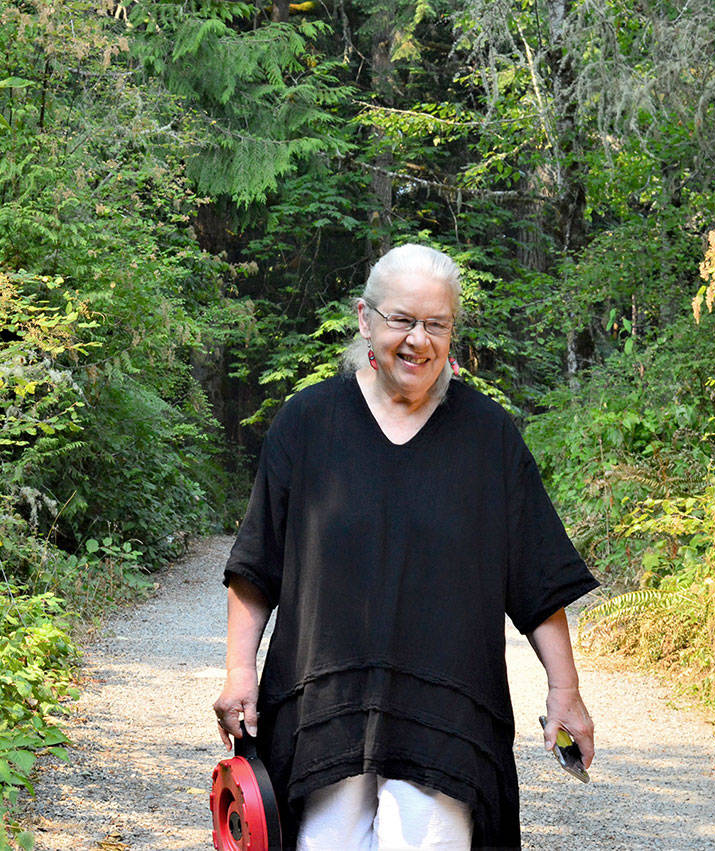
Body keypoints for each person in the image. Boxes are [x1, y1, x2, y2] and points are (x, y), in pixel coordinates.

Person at [213, 244, 598, 850]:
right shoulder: (306, 424)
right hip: (324, 715)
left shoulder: (488, 438)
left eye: (437, 324)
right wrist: (240, 672)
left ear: (452, 333)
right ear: (366, 319)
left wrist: (565, 691)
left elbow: (536, 576)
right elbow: (255, 570)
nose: (419, 340)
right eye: (403, 320)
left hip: (446, 721)